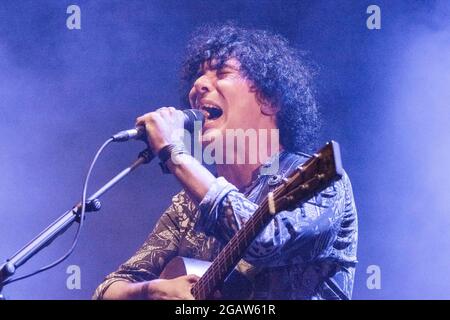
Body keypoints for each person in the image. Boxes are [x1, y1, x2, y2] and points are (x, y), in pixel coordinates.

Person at [93, 23, 358, 300]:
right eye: (198, 76)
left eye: (222, 73)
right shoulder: (186, 208)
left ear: (269, 100)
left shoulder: (322, 183)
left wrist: (175, 154)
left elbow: (265, 242)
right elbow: (107, 291)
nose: (198, 86)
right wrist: (153, 289)